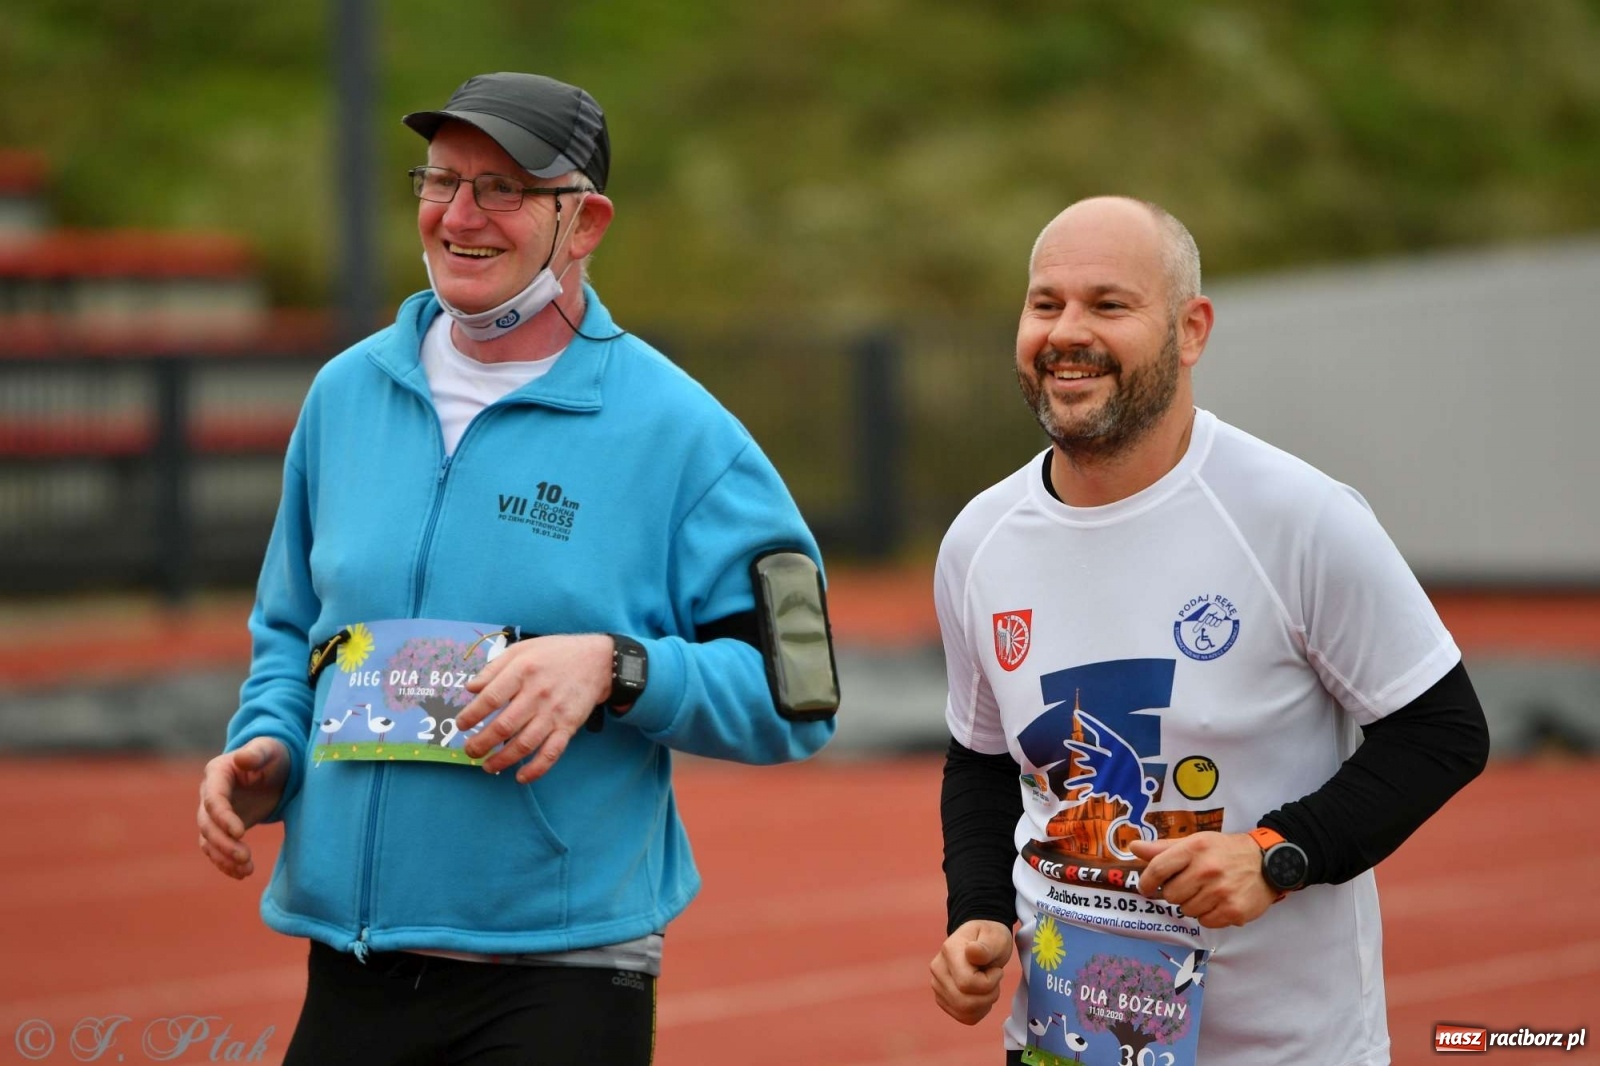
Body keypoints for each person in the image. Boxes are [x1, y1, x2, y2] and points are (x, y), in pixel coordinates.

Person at [195, 71, 838, 1065]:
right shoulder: (344, 396)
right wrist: (268, 748)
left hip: (560, 982)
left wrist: (616, 668)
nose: (460, 215)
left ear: (581, 223)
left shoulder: (683, 435)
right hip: (349, 966)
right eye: (440, 180)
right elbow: (290, 630)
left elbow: (799, 694)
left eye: (502, 188)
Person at [928, 196, 1488, 1066]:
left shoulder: (1298, 517)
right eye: (1046, 304)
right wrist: (975, 916)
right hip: (1065, 1045)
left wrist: (1276, 855)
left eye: (1109, 305)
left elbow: (1443, 732)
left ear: (1192, 331)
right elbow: (983, 760)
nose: (1067, 332)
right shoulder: (979, 541)